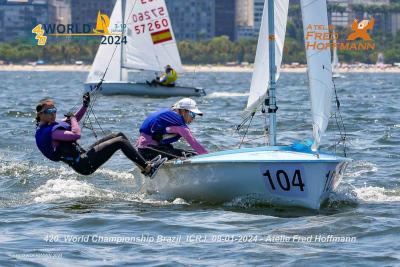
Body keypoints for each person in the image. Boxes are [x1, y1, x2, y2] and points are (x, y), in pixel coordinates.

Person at [35, 93, 166, 178]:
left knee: (118, 135)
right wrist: (73, 118)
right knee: (120, 141)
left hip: (83, 157)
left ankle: (143, 165)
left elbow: (72, 120)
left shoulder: (50, 126)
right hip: (83, 164)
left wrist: (84, 106)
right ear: (40, 114)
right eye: (49, 111)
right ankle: (149, 169)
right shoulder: (52, 132)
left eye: (54, 110)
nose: (53, 114)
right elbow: (76, 135)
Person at [136, 98, 208, 160]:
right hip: (151, 151)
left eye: (195, 115)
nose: (193, 118)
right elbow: (193, 143)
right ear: (183, 111)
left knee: (185, 152)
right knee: (190, 155)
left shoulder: (168, 120)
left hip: (143, 151)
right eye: (192, 114)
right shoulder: (180, 126)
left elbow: (167, 130)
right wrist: (207, 156)